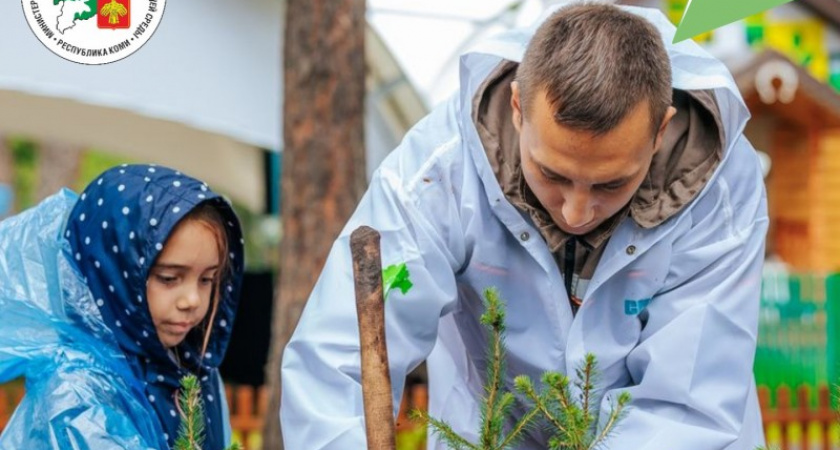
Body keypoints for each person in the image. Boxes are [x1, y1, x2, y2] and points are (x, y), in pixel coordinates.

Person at [282, 2, 769, 449]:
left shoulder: (719, 192)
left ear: (660, 130)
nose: (576, 212)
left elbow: (684, 406)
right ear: (517, 108)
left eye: (609, 185)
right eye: (553, 175)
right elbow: (341, 359)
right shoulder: (438, 175)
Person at [0, 164, 244, 449]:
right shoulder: (77, 396)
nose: (192, 300)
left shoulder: (190, 366)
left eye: (207, 279)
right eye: (169, 278)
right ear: (112, 274)